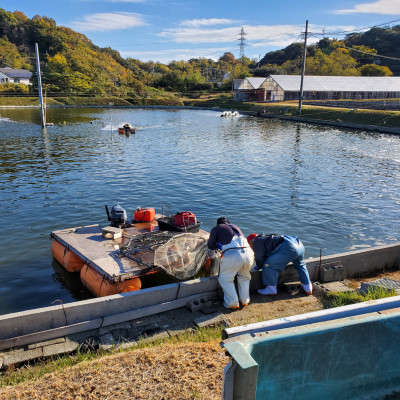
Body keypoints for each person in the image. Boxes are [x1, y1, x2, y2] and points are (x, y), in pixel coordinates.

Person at [207, 217, 254, 309]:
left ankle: (232, 302)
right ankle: (245, 300)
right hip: (249, 254)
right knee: (244, 277)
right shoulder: (235, 227)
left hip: (233, 255)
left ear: (218, 224)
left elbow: (210, 246)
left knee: (225, 278)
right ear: (228, 223)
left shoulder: (217, 228)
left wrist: (211, 257)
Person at [246, 233, 312, 296]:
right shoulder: (266, 238)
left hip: (289, 247)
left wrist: (258, 267)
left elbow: (260, 258)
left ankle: (271, 289)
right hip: (299, 245)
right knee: (300, 265)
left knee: (268, 265)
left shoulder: (256, 242)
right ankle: (308, 288)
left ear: (251, 242)